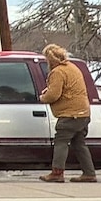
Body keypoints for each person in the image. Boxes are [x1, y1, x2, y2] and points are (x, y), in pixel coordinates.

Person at [38, 45, 97, 182]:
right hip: (83, 113)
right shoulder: (73, 68)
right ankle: (89, 173)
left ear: (50, 59)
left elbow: (53, 95)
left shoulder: (58, 72)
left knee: (61, 141)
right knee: (79, 143)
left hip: (70, 114)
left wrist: (42, 98)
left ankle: (57, 173)